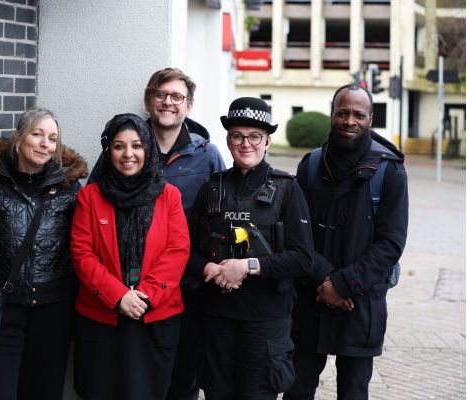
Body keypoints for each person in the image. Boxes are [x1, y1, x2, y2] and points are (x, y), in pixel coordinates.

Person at [88, 67, 225, 400]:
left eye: (177, 97)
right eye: (161, 95)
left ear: (189, 106)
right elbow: (91, 211)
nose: (168, 103)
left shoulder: (206, 155)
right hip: (123, 294)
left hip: (187, 289)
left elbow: (219, 220)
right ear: (148, 102)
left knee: (181, 381)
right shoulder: (124, 148)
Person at [0, 107, 88, 399]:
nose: (44, 144)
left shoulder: (70, 189)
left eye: (51, 138)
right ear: (18, 138)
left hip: (53, 312)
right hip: (3, 308)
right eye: (37, 134)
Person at [283, 84, 409, 400]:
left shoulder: (390, 172)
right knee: (297, 390)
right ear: (332, 115)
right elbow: (297, 235)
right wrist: (324, 281)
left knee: (353, 392)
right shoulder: (310, 166)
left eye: (358, 114)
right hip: (311, 302)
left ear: (370, 119)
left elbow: (391, 243)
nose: (349, 120)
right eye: (342, 112)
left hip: (361, 305)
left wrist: (342, 284)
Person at [186, 97, 314, 400]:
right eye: (237, 136)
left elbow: (303, 258)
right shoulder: (211, 188)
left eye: (255, 136)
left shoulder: (287, 189)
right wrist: (208, 268)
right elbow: (185, 250)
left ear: (267, 141)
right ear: (228, 141)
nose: (246, 144)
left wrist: (247, 266)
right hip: (216, 319)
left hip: (266, 324)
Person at [70, 113, 190, 400]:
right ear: (108, 150)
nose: (128, 154)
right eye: (118, 146)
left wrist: (144, 295)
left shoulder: (169, 195)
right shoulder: (89, 197)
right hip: (102, 317)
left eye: (136, 146)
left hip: (154, 317)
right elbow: (82, 254)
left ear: (148, 149)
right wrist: (119, 295)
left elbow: (177, 250)